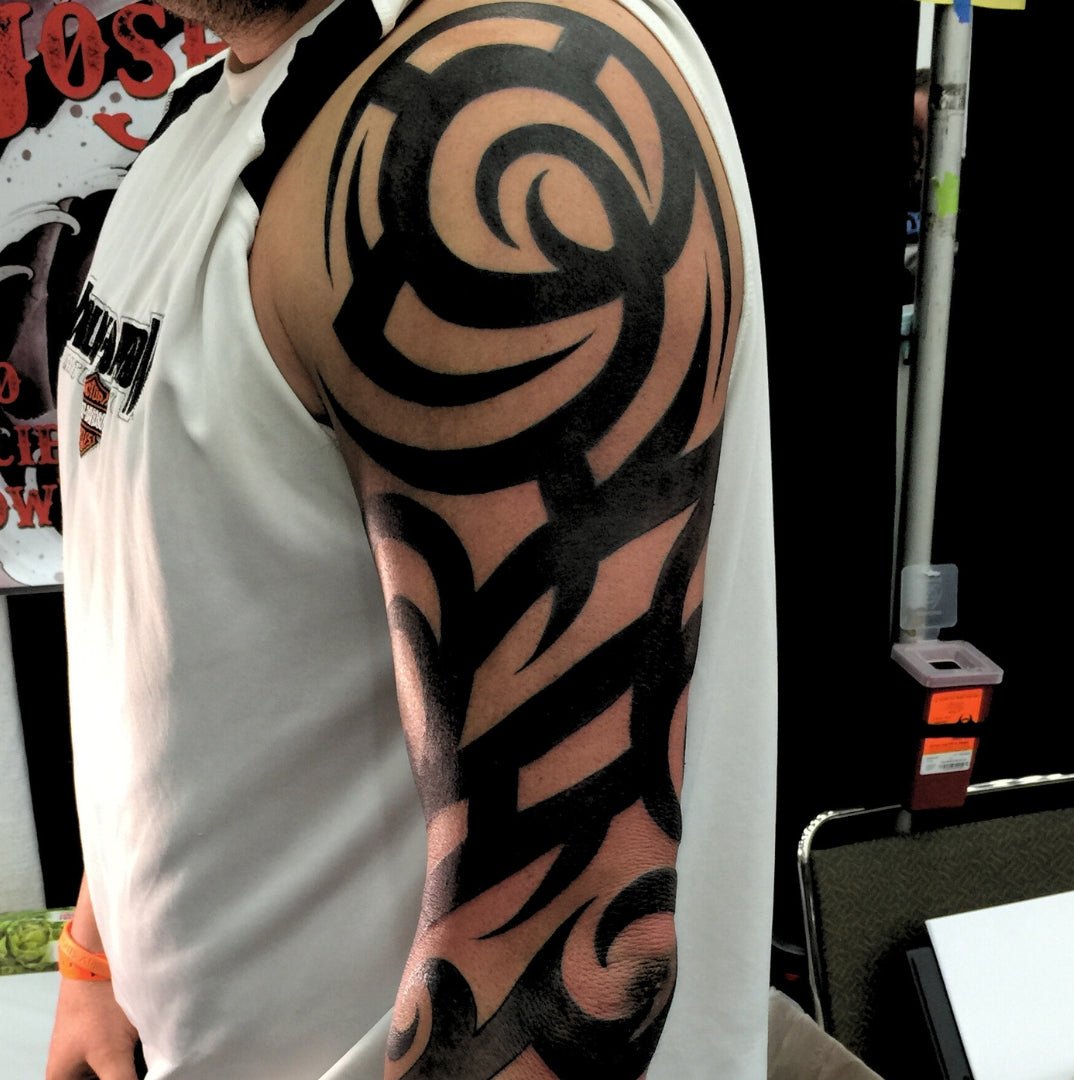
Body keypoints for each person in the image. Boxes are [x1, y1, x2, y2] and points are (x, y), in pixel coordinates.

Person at [47, 0, 776, 1076]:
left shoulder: (495, 89)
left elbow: (569, 953)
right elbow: (178, 629)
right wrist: (98, 949)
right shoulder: (215, 119)